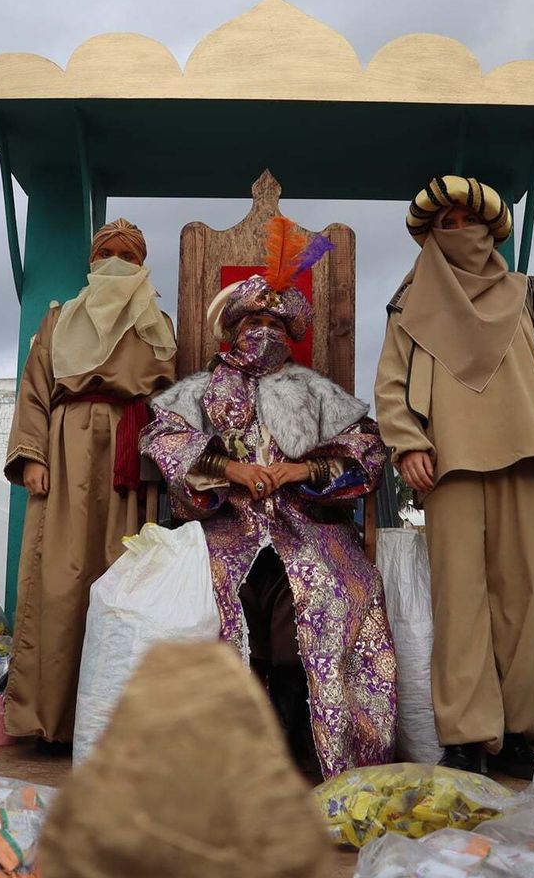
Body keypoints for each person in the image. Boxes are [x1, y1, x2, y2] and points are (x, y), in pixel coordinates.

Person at [142, 219, 396, 782]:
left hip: (308, 530)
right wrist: (229, 469)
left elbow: (368, 452)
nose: (264, 331)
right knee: (210, 603)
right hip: (223, 530)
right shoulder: (201, 390)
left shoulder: (316, 392)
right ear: (234, 328)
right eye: (254, 322)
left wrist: (302, 470)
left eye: (276, 323)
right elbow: (163, 439)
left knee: (327, 599)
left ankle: (306, 750)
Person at [373, 176, 534, 780]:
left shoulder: (529, 295)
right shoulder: (410, 304)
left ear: (491, 228)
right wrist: (408, 443)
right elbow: (391, 384)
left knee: (527, 598)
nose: (459, 231)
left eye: (469, 220)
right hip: (449, 465)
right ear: (430, 236)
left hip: (525, 457)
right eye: (446, 224)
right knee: (460, 602)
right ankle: (467, 737)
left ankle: (521, 731)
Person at [4, 219, 177, 752]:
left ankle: (114, 724)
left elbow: (173, 399)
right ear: (91, 261)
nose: (117, 262)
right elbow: (34, 390)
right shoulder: (59, 319)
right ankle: (51, 720)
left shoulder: (158, 324)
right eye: (107, 253)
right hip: (67, 451)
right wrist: (32, 457)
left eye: (129, 255)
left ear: (143, 264)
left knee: (124, 579)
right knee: (61, 578)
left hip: (132, 456)